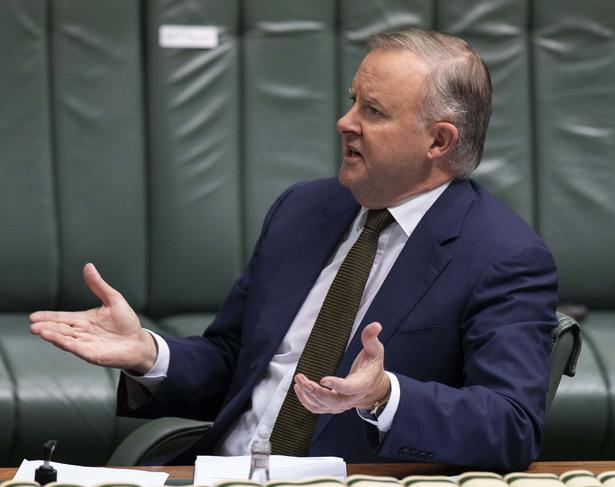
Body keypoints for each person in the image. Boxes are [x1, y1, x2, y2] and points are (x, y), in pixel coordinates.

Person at [30, 29, 558, 471]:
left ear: (438, 142)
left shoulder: (504, 255)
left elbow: (511, 427)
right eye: (353, 100)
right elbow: (235, 363)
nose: (345, 121)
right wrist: (151, 354)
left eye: (372, 110)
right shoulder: (305, 210)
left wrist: (385, 396)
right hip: (220, 473)